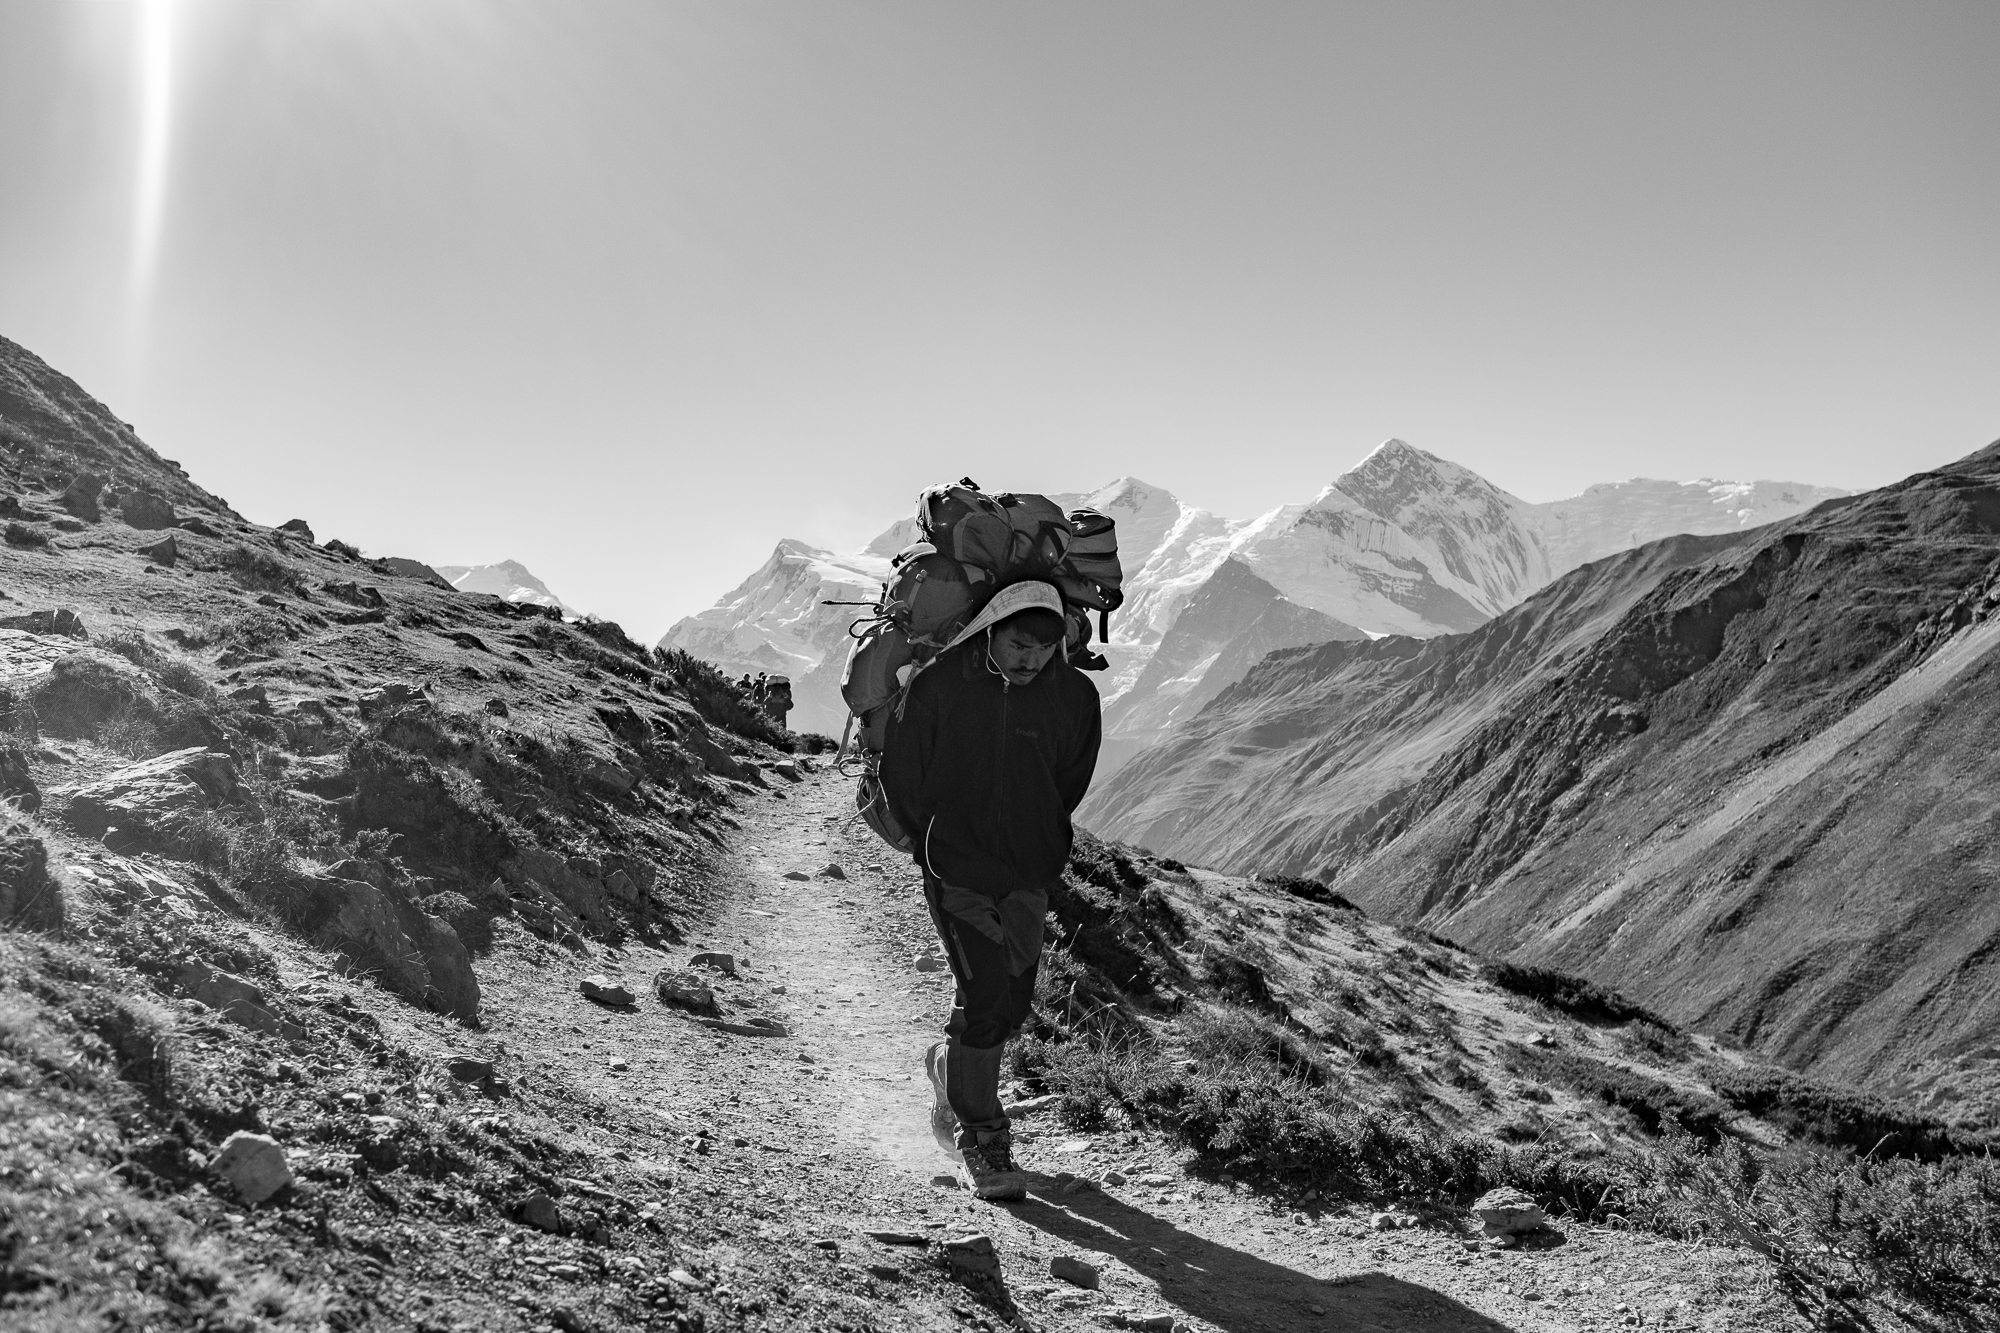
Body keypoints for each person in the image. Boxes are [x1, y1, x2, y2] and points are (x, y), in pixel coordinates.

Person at [880, 580, 1102, 1200]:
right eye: (1018, 644)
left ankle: (950, 1072)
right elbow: (903, 771)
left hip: (1029, 872)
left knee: (1010, 1001)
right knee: (983, 995)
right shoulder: (939, 687)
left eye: (1043, 646)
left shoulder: (1074, 698)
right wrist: (933, 839)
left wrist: (1039, 836)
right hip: (958, 869)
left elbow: (1069, 782)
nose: (1030, 658)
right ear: (990, 630)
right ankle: (984, 1137)